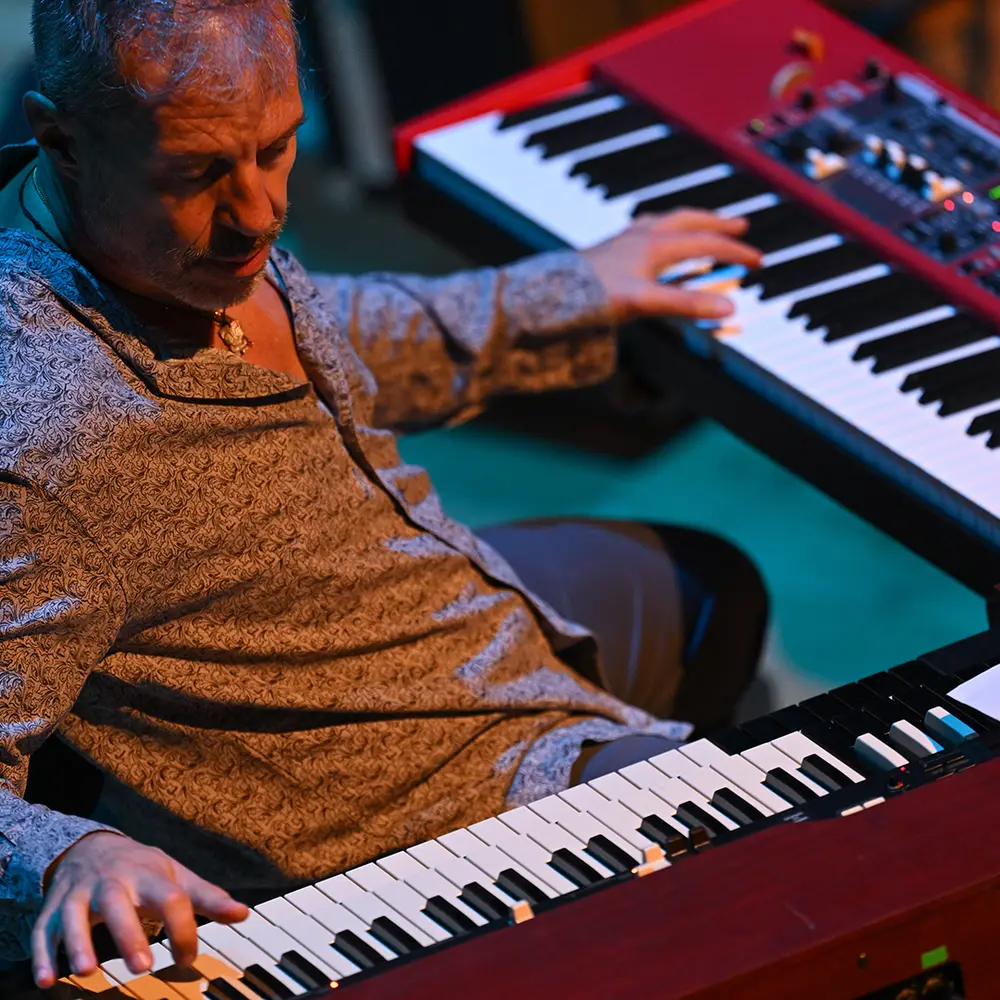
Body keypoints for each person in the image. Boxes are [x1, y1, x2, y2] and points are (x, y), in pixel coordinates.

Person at [0, 0, 768, 990]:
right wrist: (68, 853)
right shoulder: (43, 440)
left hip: (437, 603)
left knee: (712, 583)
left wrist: (576, 287)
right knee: (766, 868)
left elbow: (327, 329)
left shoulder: (161, 238)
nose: (256, 213)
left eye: (276, 149)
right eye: (197, 173)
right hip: (421, 803)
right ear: (62, 138)